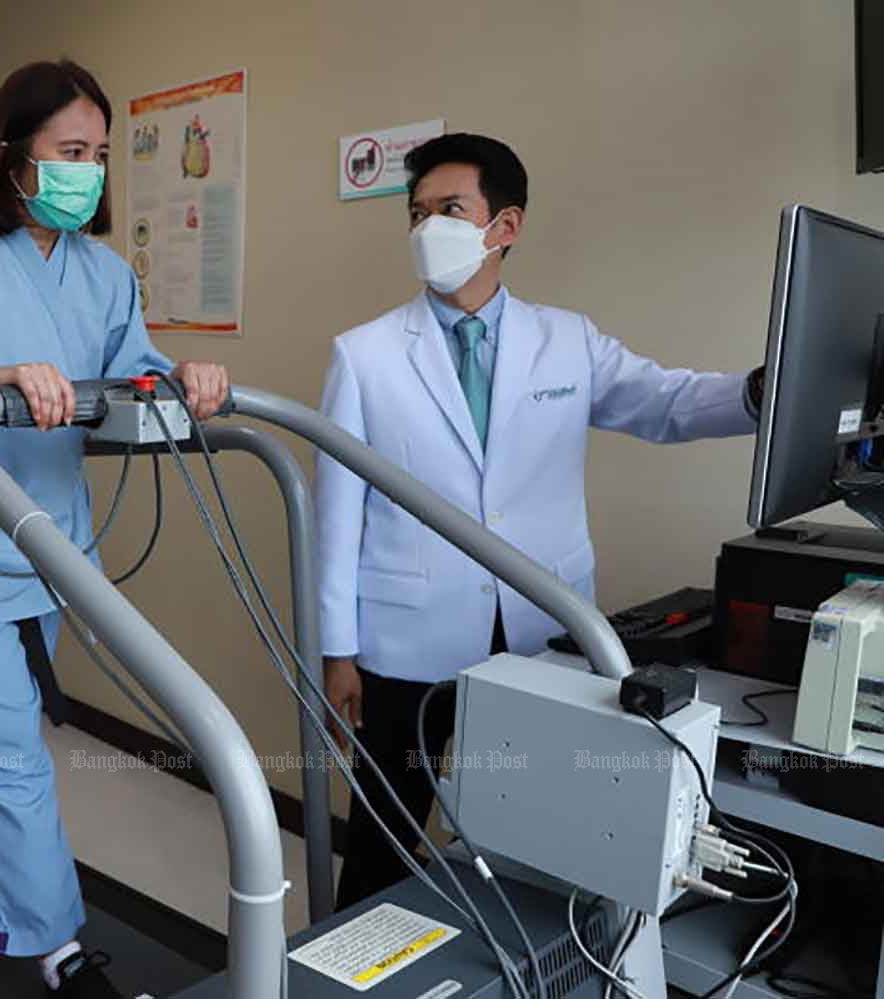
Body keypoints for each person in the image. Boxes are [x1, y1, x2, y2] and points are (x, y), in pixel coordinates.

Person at [0, 60, 228, 997]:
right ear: (12, 155)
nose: (88, 171)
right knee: (13, 754)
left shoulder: (104, 274)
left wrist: (186, 380)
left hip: (49, 548)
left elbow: (128, 380)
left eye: (100, 155)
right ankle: (58, 948)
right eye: (71, 151)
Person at [315, 134, 762, 909]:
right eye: (417, 214)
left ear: (506, 226)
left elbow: (666, 402)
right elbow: (336, 509)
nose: (428, 230)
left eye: (450, 209)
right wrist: (336, 649)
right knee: (386, 833)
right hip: (405, 638)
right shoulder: (366, 355)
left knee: (536, 828)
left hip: (538, 631)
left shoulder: (568, 340)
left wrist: (761, 393)